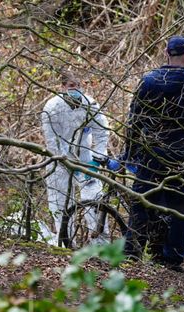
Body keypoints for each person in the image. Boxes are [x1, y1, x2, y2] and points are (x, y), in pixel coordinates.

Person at [122, 35, 184, 271]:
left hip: (151, 155)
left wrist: (130, 155)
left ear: (167, 53)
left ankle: (132, 254)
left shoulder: (149, 81)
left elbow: (135, 122)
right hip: (183, 157)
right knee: (181, 208)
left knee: (141, 204)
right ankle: (173, 259)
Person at [41, 69, 110, 244]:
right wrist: (65, 159)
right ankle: (65, 243)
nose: (76, 89)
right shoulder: (52, 107)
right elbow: (52, 139)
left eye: (78, 85)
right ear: (63, 87)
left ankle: (101, 246)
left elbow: (102, 131)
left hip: (86, 159)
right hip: (59, 161)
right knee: (60, 202)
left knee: (94, 200)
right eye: (72, 86)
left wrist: (98, 156)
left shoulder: (90, 104)